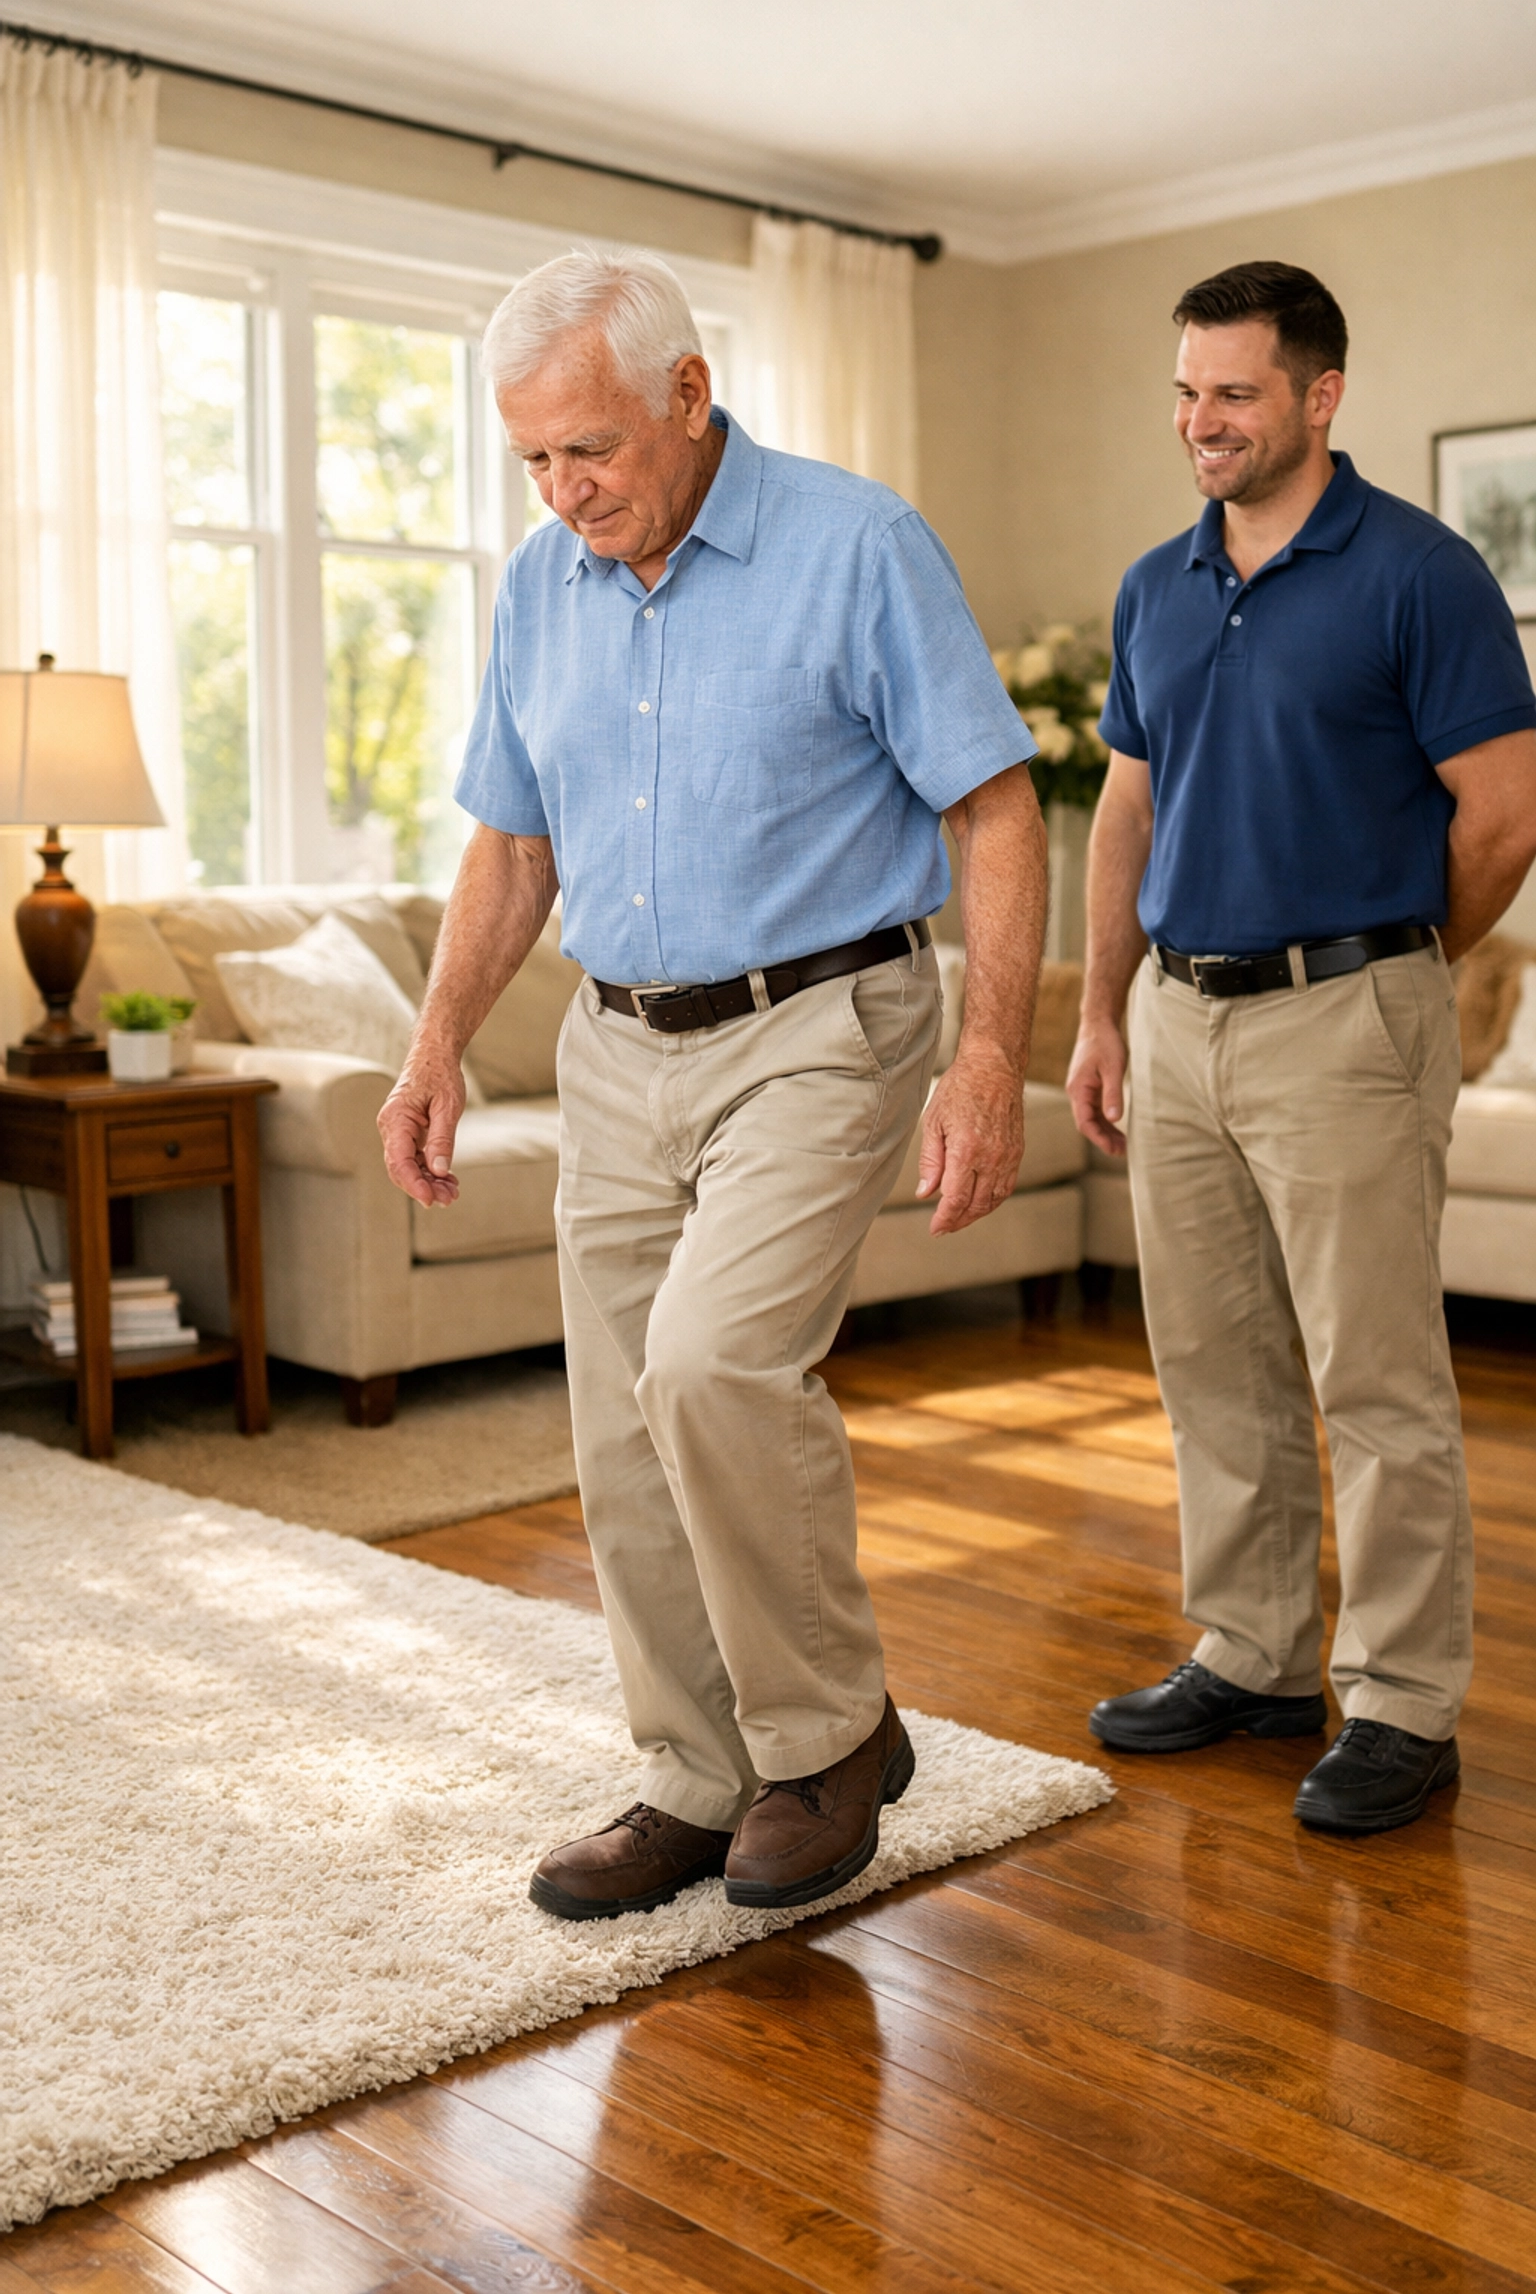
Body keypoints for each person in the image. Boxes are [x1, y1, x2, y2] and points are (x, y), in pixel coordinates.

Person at [378, 248, 1046, 1916]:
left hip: (822, 1020)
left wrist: (990, 1056)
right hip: (616, 1043)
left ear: (688, 395)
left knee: (713, 1362)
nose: (565, 489)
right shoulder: (544, 586)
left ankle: (827, 1740)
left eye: (590, 448)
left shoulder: (857, 547)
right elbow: (511, 846)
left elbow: (993, 809)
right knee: (619, 1421)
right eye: (535, 458)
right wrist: (434, 1043)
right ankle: (695, 1771)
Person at [1067, 260, 1536, 1836]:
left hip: (1346, 1010)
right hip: (1176, 1016)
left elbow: (1504, 814)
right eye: (1186, 392)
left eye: (1235, 393)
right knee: (1213, 1362)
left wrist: (1395, 972)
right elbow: (1127, 810)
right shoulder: (1157, 585)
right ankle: (1254, 1654)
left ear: (1321, 396)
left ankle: (1401, 1699)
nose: (1200, 421)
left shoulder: (1421, 574)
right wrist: (1099, 1010)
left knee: (1375, 1377)